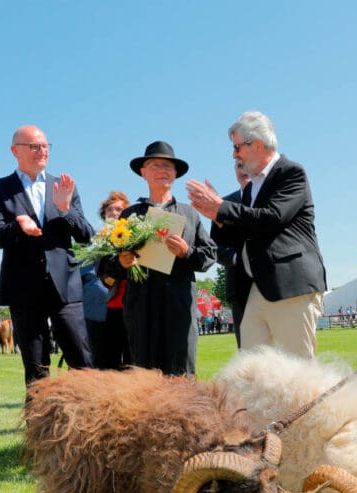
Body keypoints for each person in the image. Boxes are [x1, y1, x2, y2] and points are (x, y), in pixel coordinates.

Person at [187, 111, 327, 358]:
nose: (234, 154)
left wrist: (219, 206)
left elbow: (272, 218)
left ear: (258, 144)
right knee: (251, 372)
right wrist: (217, 216)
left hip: (290, 286)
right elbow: (243, 231)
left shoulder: (291, 172)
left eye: (237, 147)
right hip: (256, 290)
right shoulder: (251, 188)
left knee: (299, 373)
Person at [0, 125, 94, 387]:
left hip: (65, 286)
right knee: (36, 368)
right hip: (23, 287)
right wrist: (18, 227)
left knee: (82, 361)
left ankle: (91, 423)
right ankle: (39, 426)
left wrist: (66, 209)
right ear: (15, 151)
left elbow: (86, 235)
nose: (41, 151)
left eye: (45, 146)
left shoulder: (64, 186)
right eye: (34, 146)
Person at [98, 141, 215, 376]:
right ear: (143, 172)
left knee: (181, 373)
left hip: (179, 307)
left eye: (168, 166)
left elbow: (210, 255)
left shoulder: (189, 214)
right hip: (141, 309)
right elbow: (105, 266)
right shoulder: (130, 215)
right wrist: (121, 262)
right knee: (144, 375)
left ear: (175, 174)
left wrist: (186, 252)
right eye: (155, 165)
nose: (162, 170)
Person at [83, 191, 131, 369]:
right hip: (102, 308)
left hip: (131, 306)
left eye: (120, 209)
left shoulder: (137, 237)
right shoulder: (94, 239)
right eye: (110, 209)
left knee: (133, 361)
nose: (114, 213)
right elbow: (87, 271)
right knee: (104, 361)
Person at [211, 164, 252, 347]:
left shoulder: (273, 198)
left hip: (276, 285)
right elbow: (215, 246)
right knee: (247, 351)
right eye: (238, 166)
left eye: (247, 164)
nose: (243, 170)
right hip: (240, 286)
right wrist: (237, 259)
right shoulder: (222, 204)